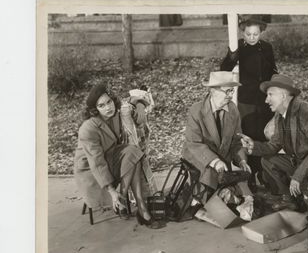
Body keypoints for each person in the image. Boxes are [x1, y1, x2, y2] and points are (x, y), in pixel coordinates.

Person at [238, 74, 308, 211]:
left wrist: (298, 176)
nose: (266, 100)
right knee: (268, 160)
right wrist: (253, 146)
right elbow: (273, 146)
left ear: (283, 96)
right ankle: (291, 200)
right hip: (305, 161)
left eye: (270, 95)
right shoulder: (280, 115)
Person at [73, 83, 164, 229]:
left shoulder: (116, 113)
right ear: (94, 110)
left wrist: (139, 104)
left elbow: (133, 98)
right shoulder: (88, 128)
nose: (108, 107)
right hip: (91, 171)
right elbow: (97, 162)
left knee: (132, 152)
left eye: (109, 102)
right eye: (101, 105)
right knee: (132, 154)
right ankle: (140, 209)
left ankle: (131, 201)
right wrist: (111, 191)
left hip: (111, 158)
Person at [220, 15, 278, 190]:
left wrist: (275, 92)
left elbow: (273, 71)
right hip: (247, 100)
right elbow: (224, 68)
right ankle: (250, 175)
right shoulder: (238, 46)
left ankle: (264, 174)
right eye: (248, 34)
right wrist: (232, 55)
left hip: (265, 100)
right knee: (249, 135)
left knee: (264, 136)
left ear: (260, 32)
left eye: (255, 34)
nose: (252, 37)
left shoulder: (267, 48)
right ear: (243, 32)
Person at [182, 71, 252, 207]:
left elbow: (237, 142)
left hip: (221, 157)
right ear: (213, 91)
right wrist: (215, 161)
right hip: (197, 155)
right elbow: (194, 144)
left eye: (232, 91)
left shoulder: (233, 110)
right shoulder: (196, 111)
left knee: (239, 183)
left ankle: (217, 199)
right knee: (210, 175)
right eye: (227, 91)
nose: (231, 95)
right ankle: (201, 199)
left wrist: (242, 160)